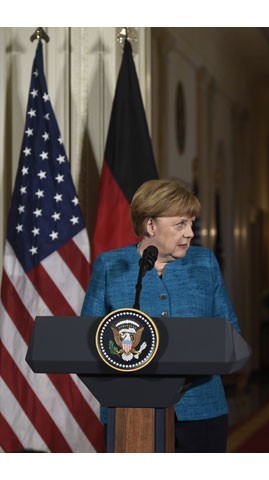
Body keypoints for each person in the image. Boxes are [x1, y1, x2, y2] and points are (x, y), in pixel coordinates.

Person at [81, 178, 240, 452]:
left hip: (201, 411)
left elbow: (230, 332)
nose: (190, 232)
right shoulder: (110, 266)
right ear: (150, 225)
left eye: (191, 223)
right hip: (128, 412)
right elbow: (88, 338)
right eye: (180, 224)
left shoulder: (205, 263)